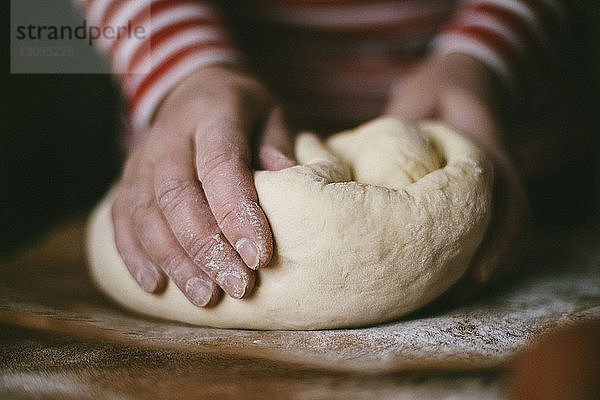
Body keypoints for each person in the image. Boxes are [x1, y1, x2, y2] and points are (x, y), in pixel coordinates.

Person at [75, 0, 574, 307]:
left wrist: (485, 54)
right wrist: (185, 71)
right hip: (205, 142)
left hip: (493, 124)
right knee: (191, 220)